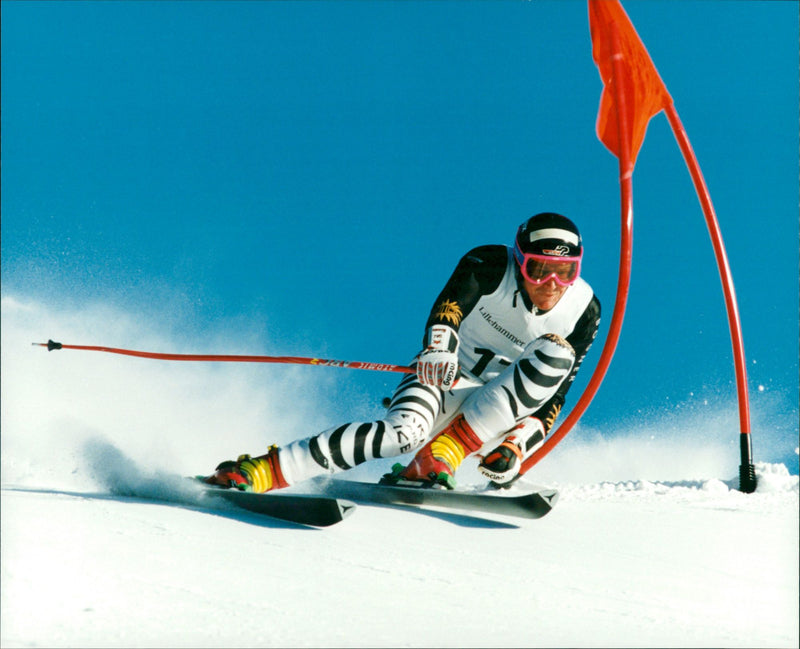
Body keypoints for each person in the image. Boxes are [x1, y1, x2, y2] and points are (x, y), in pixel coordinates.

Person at [204, 212, 601, 492]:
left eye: (565, 272)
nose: (551, 284)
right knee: (401, 435)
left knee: (556, 354)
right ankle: (262, 471)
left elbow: (556, 397)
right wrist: (438, 348)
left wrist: (517, 446)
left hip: (495, 417)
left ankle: (444, 453)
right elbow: (450, 307)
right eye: (538, 269)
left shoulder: (583, 309)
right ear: (519, 261)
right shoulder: (491, 264)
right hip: (441, 380)